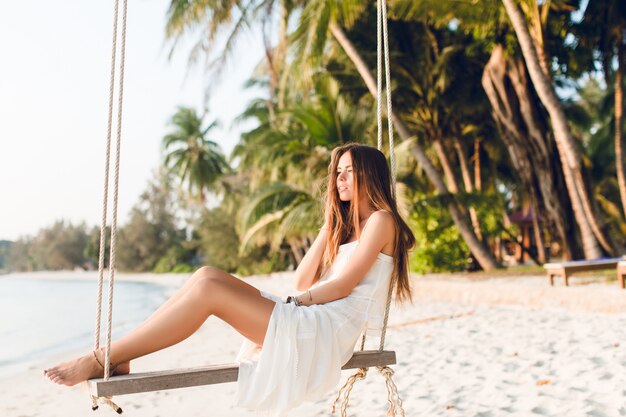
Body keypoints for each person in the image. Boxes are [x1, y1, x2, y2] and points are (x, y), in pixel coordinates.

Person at [44, 142, 416, 416]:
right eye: (337, 172)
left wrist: (293, 304)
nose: (339, 179)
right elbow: (304, 278)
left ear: (371, 174)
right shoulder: (347, 228)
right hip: (313, 317)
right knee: (205, 275)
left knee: (207, 291)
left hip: (326, 330)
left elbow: (341, 287)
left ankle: (103, 357)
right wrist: (329, 225)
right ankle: (118, 355)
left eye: (349, 171)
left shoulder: (382, 221)